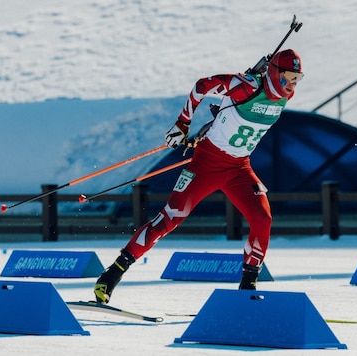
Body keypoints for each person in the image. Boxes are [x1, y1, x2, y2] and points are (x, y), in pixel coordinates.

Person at [93, 49, 303, 304]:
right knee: (170, 218)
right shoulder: (246, 85)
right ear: (274, 72)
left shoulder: (283, 96)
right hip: (207, 164)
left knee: (263, 219)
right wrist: (183, 123)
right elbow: (202, 86)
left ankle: (247, 288)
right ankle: (113, 272)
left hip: (239, 168)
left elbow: (233, 114)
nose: (292, 84)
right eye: (289, 77)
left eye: (297, 78)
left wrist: (216, 120)